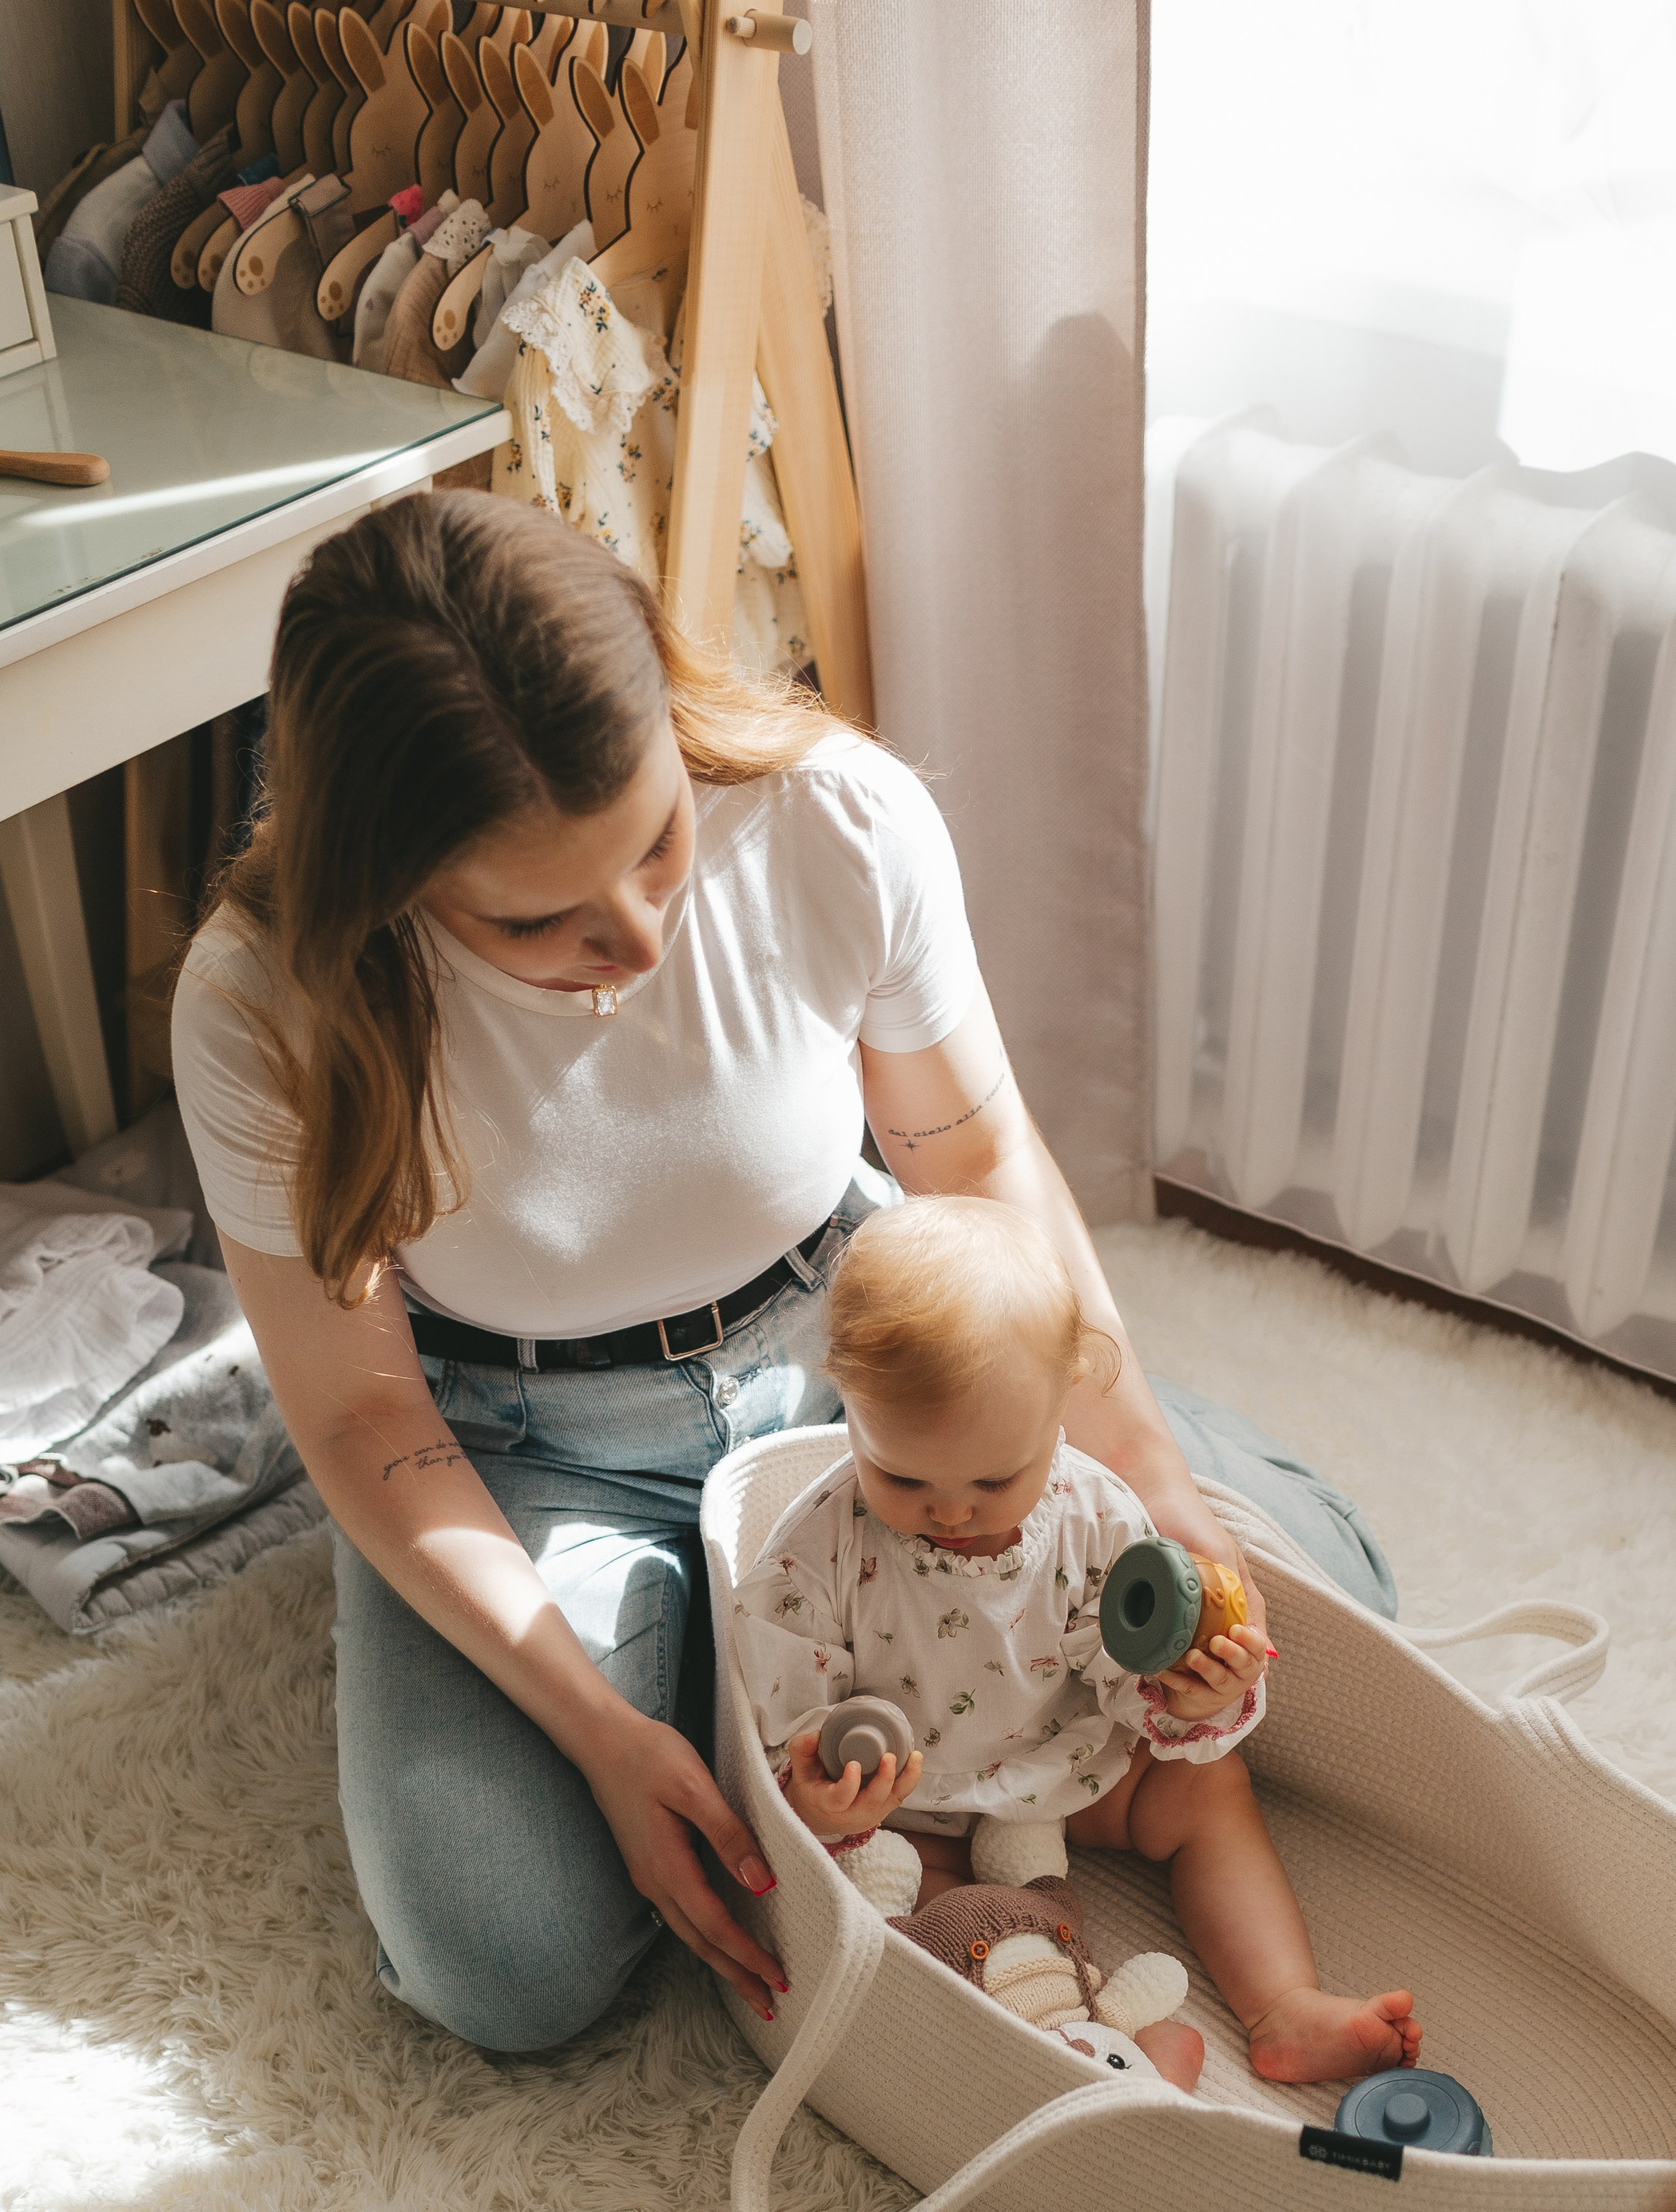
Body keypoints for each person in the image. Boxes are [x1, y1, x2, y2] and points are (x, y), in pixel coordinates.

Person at [171, 490, 1398, 2058]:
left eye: (656, 843)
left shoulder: (831, 814)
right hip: (531, 1445)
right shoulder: (263, 1009)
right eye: (540, 919)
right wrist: (596, 1735)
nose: (638, 938)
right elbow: (364, 1418)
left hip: (860, 1340)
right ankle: (720, 1682)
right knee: (508, 1962)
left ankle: (767, 1675)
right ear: (393, 885)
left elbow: (974, 1168)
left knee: (1324, 1622)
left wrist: (1144, 1476)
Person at [736, 1198, 1421, 2091]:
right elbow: (782, 1729)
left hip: (1069, 1764)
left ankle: (1283, 2006)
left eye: (995, 1479)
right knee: (951, 1932)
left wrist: (1191, 1693)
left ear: (1064, 1401)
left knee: (1207, 1787)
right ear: (847, 1403)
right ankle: (1080, 2049)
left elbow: (1127, 1674)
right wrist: (822, 1804)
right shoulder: (816, 1552)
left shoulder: (1095, 1517)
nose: (952, 1511)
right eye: (901, 1476)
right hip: (916, 1812)